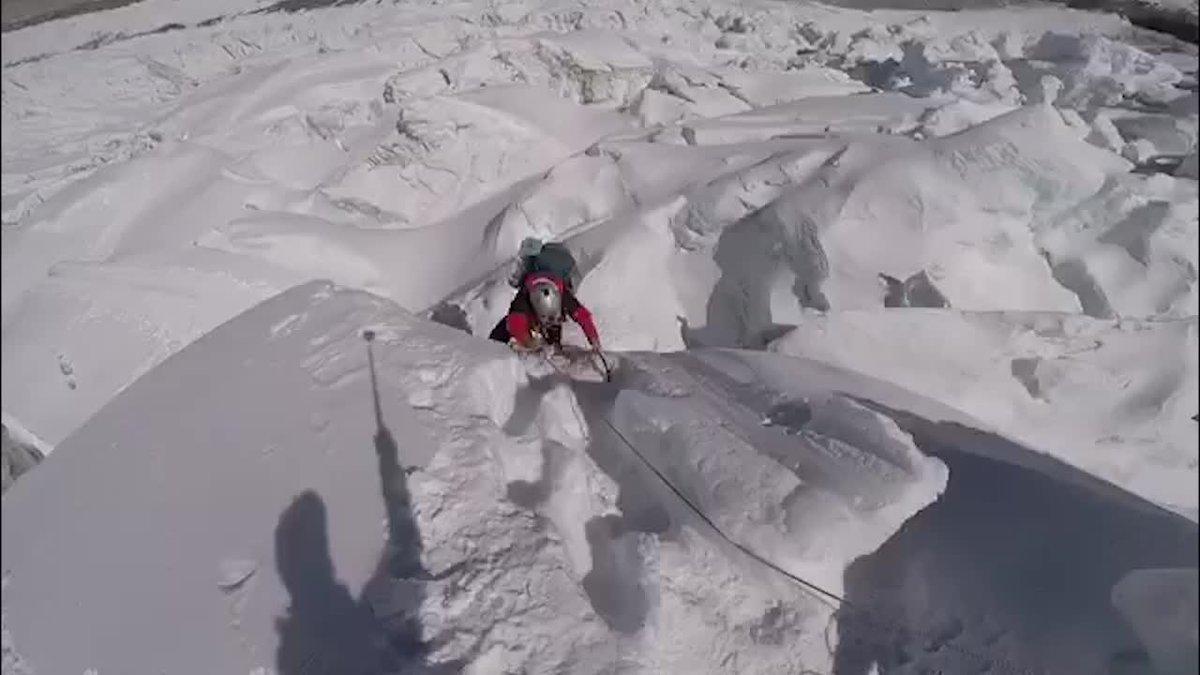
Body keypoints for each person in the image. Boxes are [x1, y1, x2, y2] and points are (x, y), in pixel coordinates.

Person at [489, 239, 600, 352]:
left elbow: (515, 321)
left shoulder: (526, 294)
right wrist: (594, 339)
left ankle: (491, 352)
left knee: (503, 329)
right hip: (544, 306)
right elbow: (582, 315)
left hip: (533, 312)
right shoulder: (560, 292)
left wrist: (529, 342)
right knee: (549, 329)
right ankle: (554, 347)